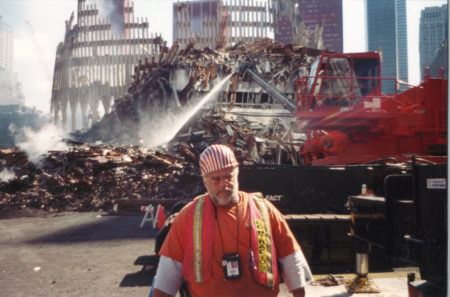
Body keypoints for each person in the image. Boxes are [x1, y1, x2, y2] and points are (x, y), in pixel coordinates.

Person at [152, 144, 312, 297]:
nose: (224, 184)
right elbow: (169, 270)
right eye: (216, 179)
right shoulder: (188, 216)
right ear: (204, 181)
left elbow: (290, 256)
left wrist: (300, 294)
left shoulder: (264, 209)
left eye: (228, 176)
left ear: (237, 173)